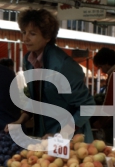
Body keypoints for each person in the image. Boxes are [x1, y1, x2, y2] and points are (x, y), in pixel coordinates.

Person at [6, 9, 95, 140]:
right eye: (24, 32)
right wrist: (20, 120)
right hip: (44, 136)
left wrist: (61, 134)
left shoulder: (63, 65)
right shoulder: (28, 61)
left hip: (72, 140)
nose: (25, 38)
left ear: (47, 37)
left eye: (32, 34)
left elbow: (87, 105)